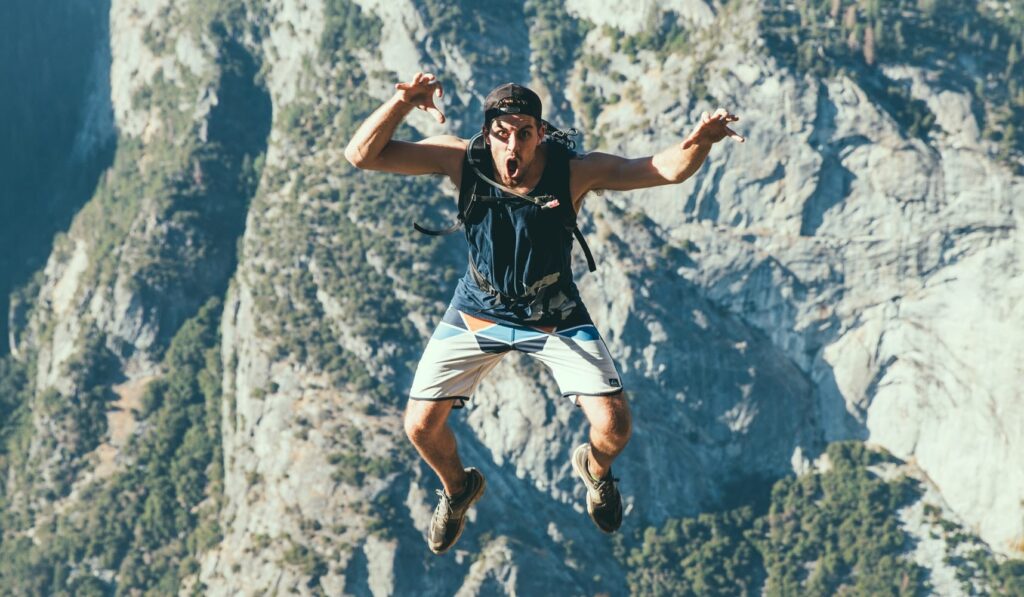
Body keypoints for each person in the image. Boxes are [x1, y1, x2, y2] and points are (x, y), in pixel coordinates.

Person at [344, 72, 743, 554]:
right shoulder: (460, 159)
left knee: (615, 428)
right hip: (478, 309)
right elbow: (362, 156)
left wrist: (699, 141)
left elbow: (663, 169)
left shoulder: (574, 170)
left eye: (525, 133)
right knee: (419, 428)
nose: (513, 144)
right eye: (502, 133)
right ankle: (458, 489)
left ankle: (595, 472)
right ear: (487, 132)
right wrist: (402, 101)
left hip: (554, 311)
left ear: (541, 132)